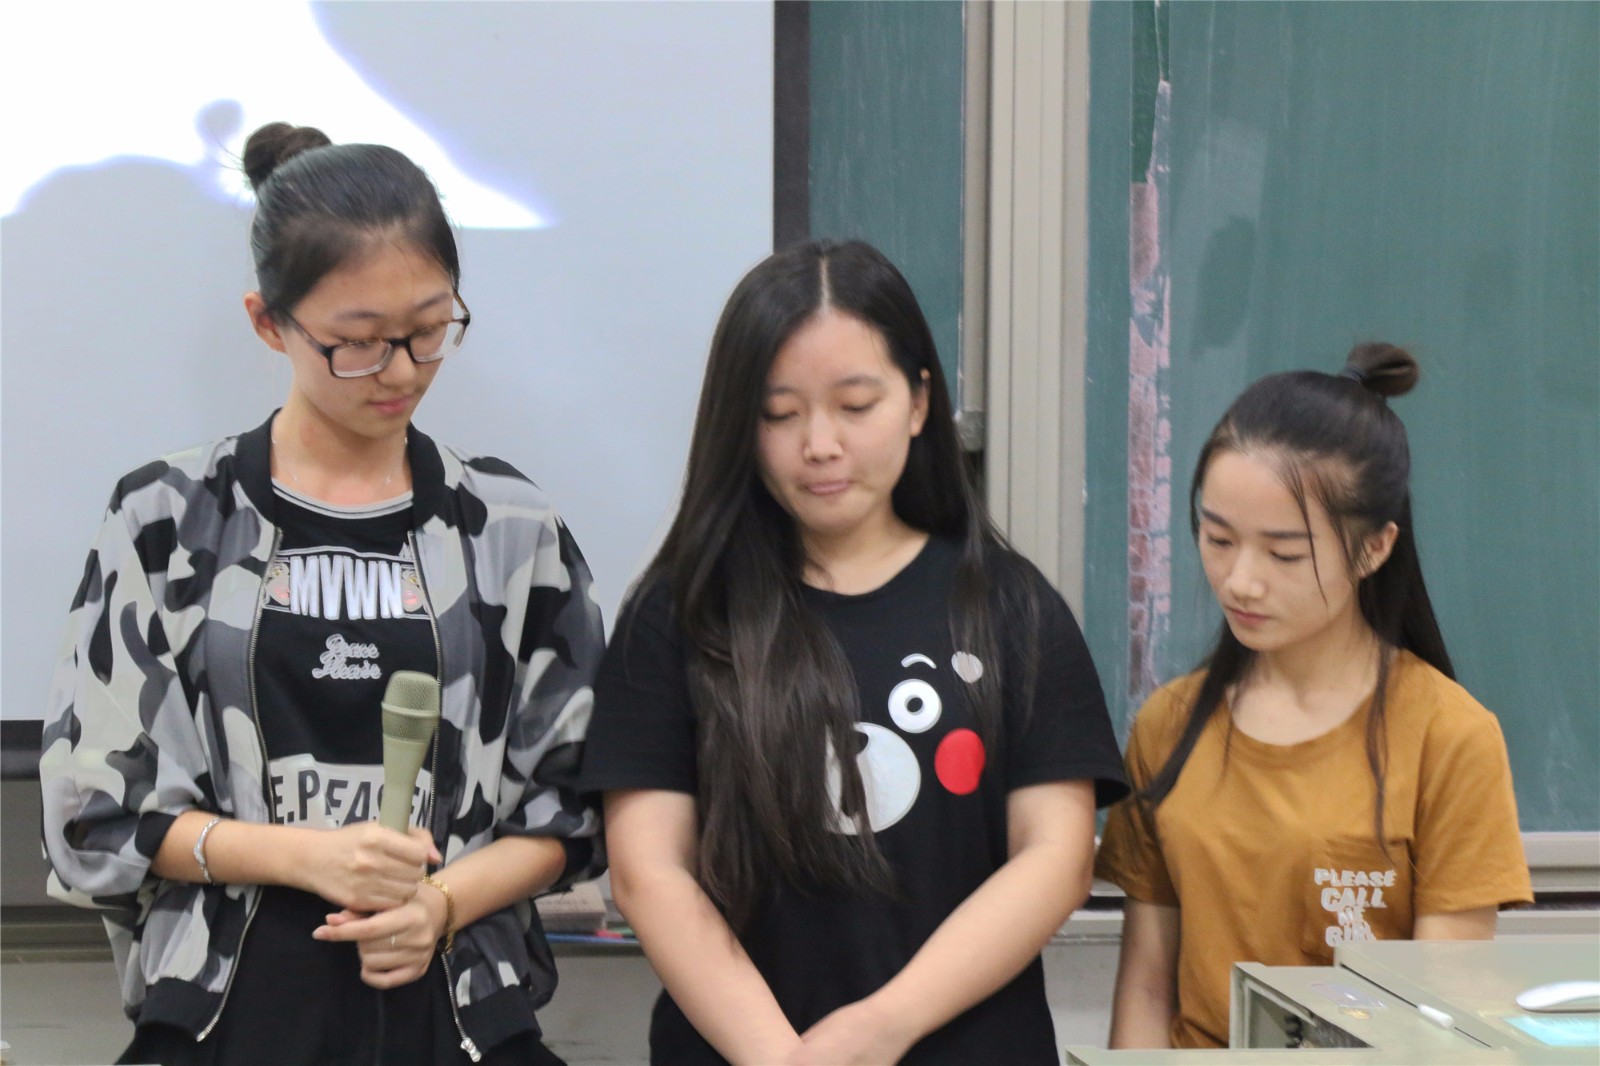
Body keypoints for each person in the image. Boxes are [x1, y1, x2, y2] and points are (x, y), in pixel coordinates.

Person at [38, 122, 605, 1066]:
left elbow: (571, 808)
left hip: (456, 999)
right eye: (357, 343)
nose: (401, 370)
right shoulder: (168, 517)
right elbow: (92, 810)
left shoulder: (509, 526)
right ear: (270, 323)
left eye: (430, 330)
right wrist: (306, 855)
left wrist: (440, 905)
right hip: (226, 1001)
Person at [578, 239, 1129, 1065]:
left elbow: (1054, 857)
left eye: (856, 405)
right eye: (779, 414)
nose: (820, 443)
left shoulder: (1011, 607)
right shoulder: (679, 613)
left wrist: (881, 1028)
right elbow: (649, 873)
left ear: (918, 402)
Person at [1095, 343, 1533, 1050]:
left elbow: (1442, 1026)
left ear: (1374, 548)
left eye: (1284, 554)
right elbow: (1146, 987)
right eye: (1218, 538)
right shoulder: (1168, 725)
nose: (1240, 580)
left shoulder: (1448, 736)